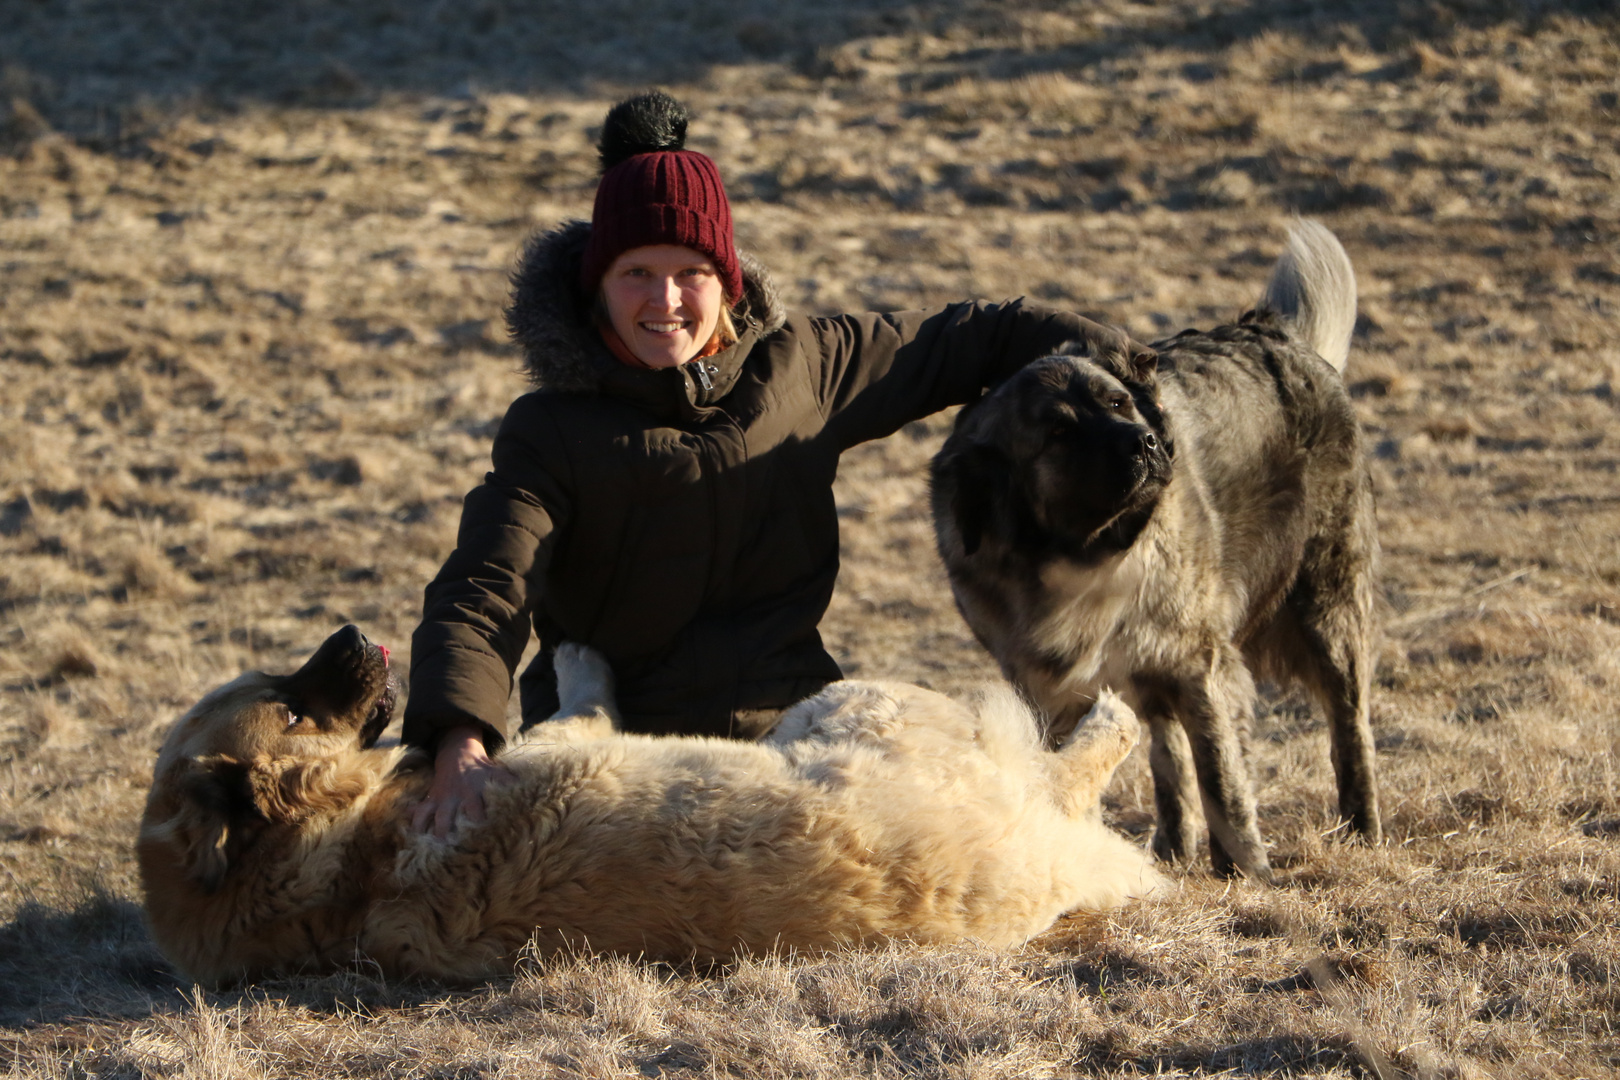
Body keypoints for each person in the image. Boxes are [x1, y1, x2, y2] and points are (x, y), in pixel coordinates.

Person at [405, 91, 1152, 836]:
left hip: (791, 733)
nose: (664, 299)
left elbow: (962, 341)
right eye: (635, 271)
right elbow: (483, 585)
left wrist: (1112, 356)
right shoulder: (549, 429)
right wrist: (458, 737)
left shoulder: (802, 369)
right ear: (596, 286)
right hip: (617, 754)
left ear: (727, 281)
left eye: (689, 271)